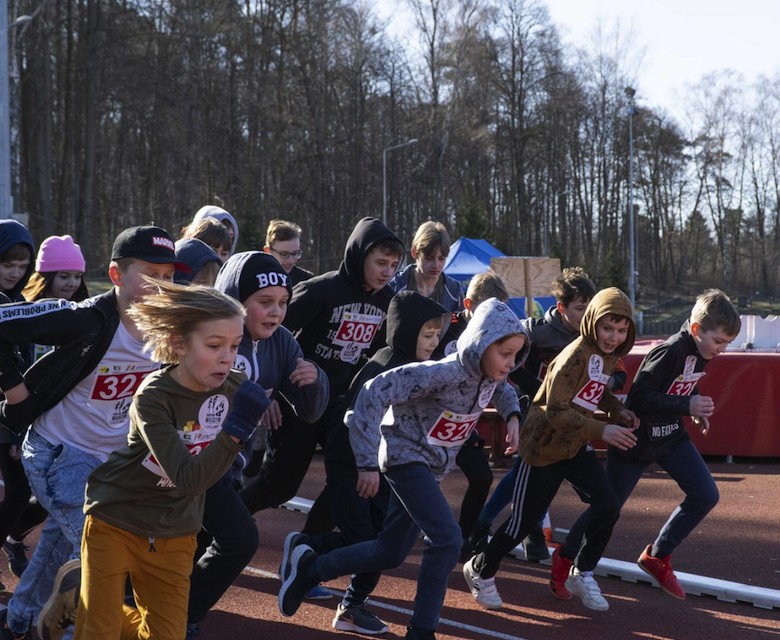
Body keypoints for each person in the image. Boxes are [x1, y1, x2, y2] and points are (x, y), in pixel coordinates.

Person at [278, 298, 527, 640]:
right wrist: (365, 460)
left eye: (516, 355)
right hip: (404, 458)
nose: (511, 363)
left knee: (390, 552)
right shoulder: (442, 372)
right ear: (482, 343)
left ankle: (311, 568)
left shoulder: (489, 375)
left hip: (432, 466)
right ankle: (422, 630)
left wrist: (512, 415)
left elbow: (502, 388)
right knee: (447, 539)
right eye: (505, 354)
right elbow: (373, 391)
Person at [0, 225, 187, 640]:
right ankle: (76, 625)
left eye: (169, 275)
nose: (162, 285)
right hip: (59, 453)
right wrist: (16, 393)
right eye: (150, 273)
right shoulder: (85, 319)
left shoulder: (170, 327)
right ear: (117, 275)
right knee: (106, 549)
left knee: (59, 546)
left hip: (113, 458)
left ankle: (18, 618)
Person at [71, 281, 269, 640]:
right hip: (116, 518)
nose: (228, 357)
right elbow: (189, 478)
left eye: (235, 345)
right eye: (214, 345)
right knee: (98, 633)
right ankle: (82, 604)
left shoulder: (234, 387)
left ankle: (74, 600)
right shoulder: (152, 396)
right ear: (179, 344)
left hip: (176, 531)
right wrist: (237, 430)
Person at [462, 287, 639, 613]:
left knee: (608, 504)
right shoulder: (574, 356)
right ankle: (480, 568)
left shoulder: (606, 355)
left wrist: (616, 409)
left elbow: (594, 390)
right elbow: (555, 411)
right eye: (607, 328)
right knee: (521, 524)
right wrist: (603, 429)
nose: (614, 337)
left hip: (574, 445)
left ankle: (581, 570)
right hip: (543, 446)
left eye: (621, 330)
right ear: (592, 323)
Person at [182, 252, 328, 638]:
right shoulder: (209, 333)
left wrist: (314, 381)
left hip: (225, 467)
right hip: (182, 461)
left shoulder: (281, 342)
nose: (276, 311)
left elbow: (310, 411)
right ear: (235, 299)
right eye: (264, 302)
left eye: (283, 302)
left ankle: (170, 614)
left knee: (214, 541)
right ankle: (169, 615)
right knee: (229, 539)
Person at [560, 288, 740, 601]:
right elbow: (640, 398)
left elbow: (678, 389)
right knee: (608, 508)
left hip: (670, 437)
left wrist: (693, 410)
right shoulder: (669, 351)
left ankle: (657, 556)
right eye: (719, 341)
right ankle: (564, 559)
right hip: (636, 439)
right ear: (697, 330)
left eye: (727, 343)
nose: (722, 349)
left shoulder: (703, 350)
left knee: (706, 494)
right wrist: (688, 405)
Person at [240, 217, 403, 523]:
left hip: (341, 407)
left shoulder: (388, 301)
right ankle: (217, 527)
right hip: (298, 402)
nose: (387, 271)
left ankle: (307, 544)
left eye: (394, 265)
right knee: (278, 487)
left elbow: (383, 354)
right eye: (381, 262)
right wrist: (268, 393)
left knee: (352, 478)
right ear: (359, 255)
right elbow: (268, 339)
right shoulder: (320, 290)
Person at [315, 290, 450, 635]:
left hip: (388, 467)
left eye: (438, 335)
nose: (434, 342)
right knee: (369, 543)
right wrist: (366, 467)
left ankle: (347, 601)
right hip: (355, 463)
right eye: (427, 334)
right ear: (406, 332)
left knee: (381, 543)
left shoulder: (421, 368)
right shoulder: (386, 365)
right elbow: (357, 419)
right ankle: (312, 558)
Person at [468, 266, 599, 562]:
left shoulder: (589, 337)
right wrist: (538, 389)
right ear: (561, 307)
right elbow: (509, 358)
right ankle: (498, 524)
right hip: (534, 411)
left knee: (547, 472)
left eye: (589, 308)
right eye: (580, 308)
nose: (586, 315)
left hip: (564, 416)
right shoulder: (536, 331)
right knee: (528, 471)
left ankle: (518, 527)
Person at [2, 236, 90, 583]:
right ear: (46, 276)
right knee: (23, 492)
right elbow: (16, 371)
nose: (71, 283)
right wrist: (17, 431)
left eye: (76, 276)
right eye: (62, 275)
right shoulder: (25, 313)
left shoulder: (86, 314)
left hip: (67, 424)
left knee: (53, 496)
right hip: (22, 421)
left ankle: (14, 538)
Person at [431, 270, 527, 561]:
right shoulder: (442, 328)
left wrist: (512, 415)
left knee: (482, 476)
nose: (496, 318)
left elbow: (500, 383)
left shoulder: (497, 338)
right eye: (489, 310)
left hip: (460, 426)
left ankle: (463, 538)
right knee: (421, 483)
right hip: (427, 424)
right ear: (470, 305)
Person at [0, 220, 35, 590]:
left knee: (20, 491)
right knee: (18, 491)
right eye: (7, 263)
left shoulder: (19, 303)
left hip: (12, 414)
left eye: (21, 265)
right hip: (7, 412)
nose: (14, 272)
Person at [389, 221, 463, 312]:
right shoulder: (394, 287)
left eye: (441, 258)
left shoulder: (455, 292)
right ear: (414, 253)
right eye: (429, 258)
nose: (436, 265)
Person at [263, 219, 314, 286]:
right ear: (268, 251)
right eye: (284, 254)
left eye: (295, 253)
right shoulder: (254, 278)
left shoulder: (306, 281)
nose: (291, 261)